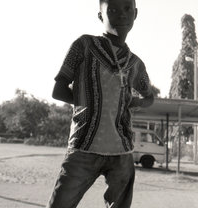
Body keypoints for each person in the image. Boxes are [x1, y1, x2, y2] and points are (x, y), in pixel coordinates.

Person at [46, 0, 154, 207]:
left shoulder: (135, 64)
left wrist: (135, 102)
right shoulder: (84, 46)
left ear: (135, 13)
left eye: (127, 9)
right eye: (112, 10)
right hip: (85, 145)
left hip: (122, 150)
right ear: (100, 16)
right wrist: (92, 100)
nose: (121, 15)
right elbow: (58, 91)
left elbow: (149, 98)